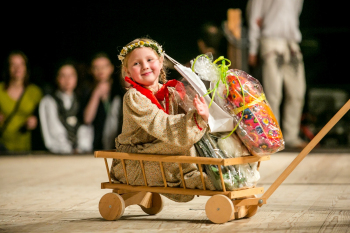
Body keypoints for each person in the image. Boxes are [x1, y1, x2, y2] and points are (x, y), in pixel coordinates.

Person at [110, 38, 217, 202]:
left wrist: (203, 113)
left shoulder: (171, 92)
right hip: (136, 159)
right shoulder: (134, 97)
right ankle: (203, 179)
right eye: (136, 64)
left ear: (160, 62)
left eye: (149, 60)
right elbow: (164, 126)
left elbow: (190, 123)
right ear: (128, 71)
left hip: (160, 152)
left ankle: (216, 171)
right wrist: (197, 119)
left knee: (198, 141)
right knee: (185, 142)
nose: (145, 66)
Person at [247, 0, 307, 149]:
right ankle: (273, 138)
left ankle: (291, 136)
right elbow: (254, 16)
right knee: (273, 94)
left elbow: (294, 14)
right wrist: (253, 48)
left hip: (291, 43)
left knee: (297, 92)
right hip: (271, 41)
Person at [39, 60, 93, 154]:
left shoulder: (82, 101)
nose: (67, 79)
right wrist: (68, 149)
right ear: (57, 78)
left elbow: (86, 128)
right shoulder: (48, 102)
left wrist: (81, 148)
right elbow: (53, 131)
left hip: (81, 155)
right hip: (59, 154)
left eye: (71, 75)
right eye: (63, 75)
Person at [0, 50, 43, 153]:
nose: (17, 68)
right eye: (13, 65)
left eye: (21, 64)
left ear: (26, 68)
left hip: (26, 147)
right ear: (7, 68)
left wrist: (35, 122)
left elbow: (43, 120)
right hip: (2, 146)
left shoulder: (35, 92)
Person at [82, 52, 123, 150]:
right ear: (91, 70)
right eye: (96, 67)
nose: (100, 71)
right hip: (95, 145)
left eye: (104, 66)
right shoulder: (87, 91)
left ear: (111, 68)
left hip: (118, 144)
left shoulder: (119, 89)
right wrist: (96, 93)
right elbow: (87, 119)